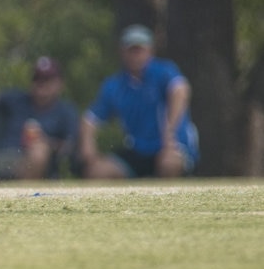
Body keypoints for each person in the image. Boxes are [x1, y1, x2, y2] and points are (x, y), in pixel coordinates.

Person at [79, 25, 199, 178]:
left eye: (140, 50)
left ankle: (167, 201)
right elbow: (90, 119)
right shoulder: (115, 85)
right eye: (131, 50)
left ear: (150, 51)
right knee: (98, 172)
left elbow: (181, 90)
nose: (135, 55)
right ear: (122, 52)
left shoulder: (163, 72)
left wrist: (170, 130)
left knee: (169, 164)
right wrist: (88, 149)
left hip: (171, 147)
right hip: (138, 150)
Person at [0, 56, 81, 180]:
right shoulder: (15, 99)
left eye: (46, 79)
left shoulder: (66, 111)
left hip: (31, 163)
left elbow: (69, 146)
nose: (41, 83)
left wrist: (45, 142)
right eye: (37, 78)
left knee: (39, 151)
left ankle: (23, 197)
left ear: (59, 83)